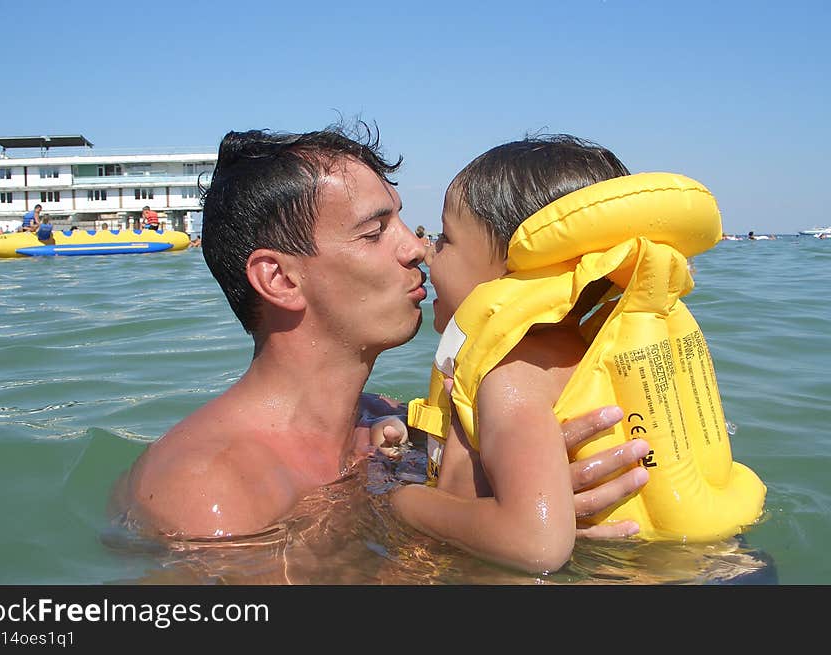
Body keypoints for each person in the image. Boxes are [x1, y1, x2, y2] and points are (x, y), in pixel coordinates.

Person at [112, 126, 648, 544]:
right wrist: (504, 527)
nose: (417, 248)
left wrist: (518, 493)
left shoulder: (390, 426)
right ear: (279, 279)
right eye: (374, 232)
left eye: (403, 221)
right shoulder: (208, 490)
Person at [372, 135, 651, 574]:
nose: (427, 250)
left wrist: (403, 502)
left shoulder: (510, 374)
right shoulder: (573, 350)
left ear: (516, 272)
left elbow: (535, 543)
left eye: (446, 238)